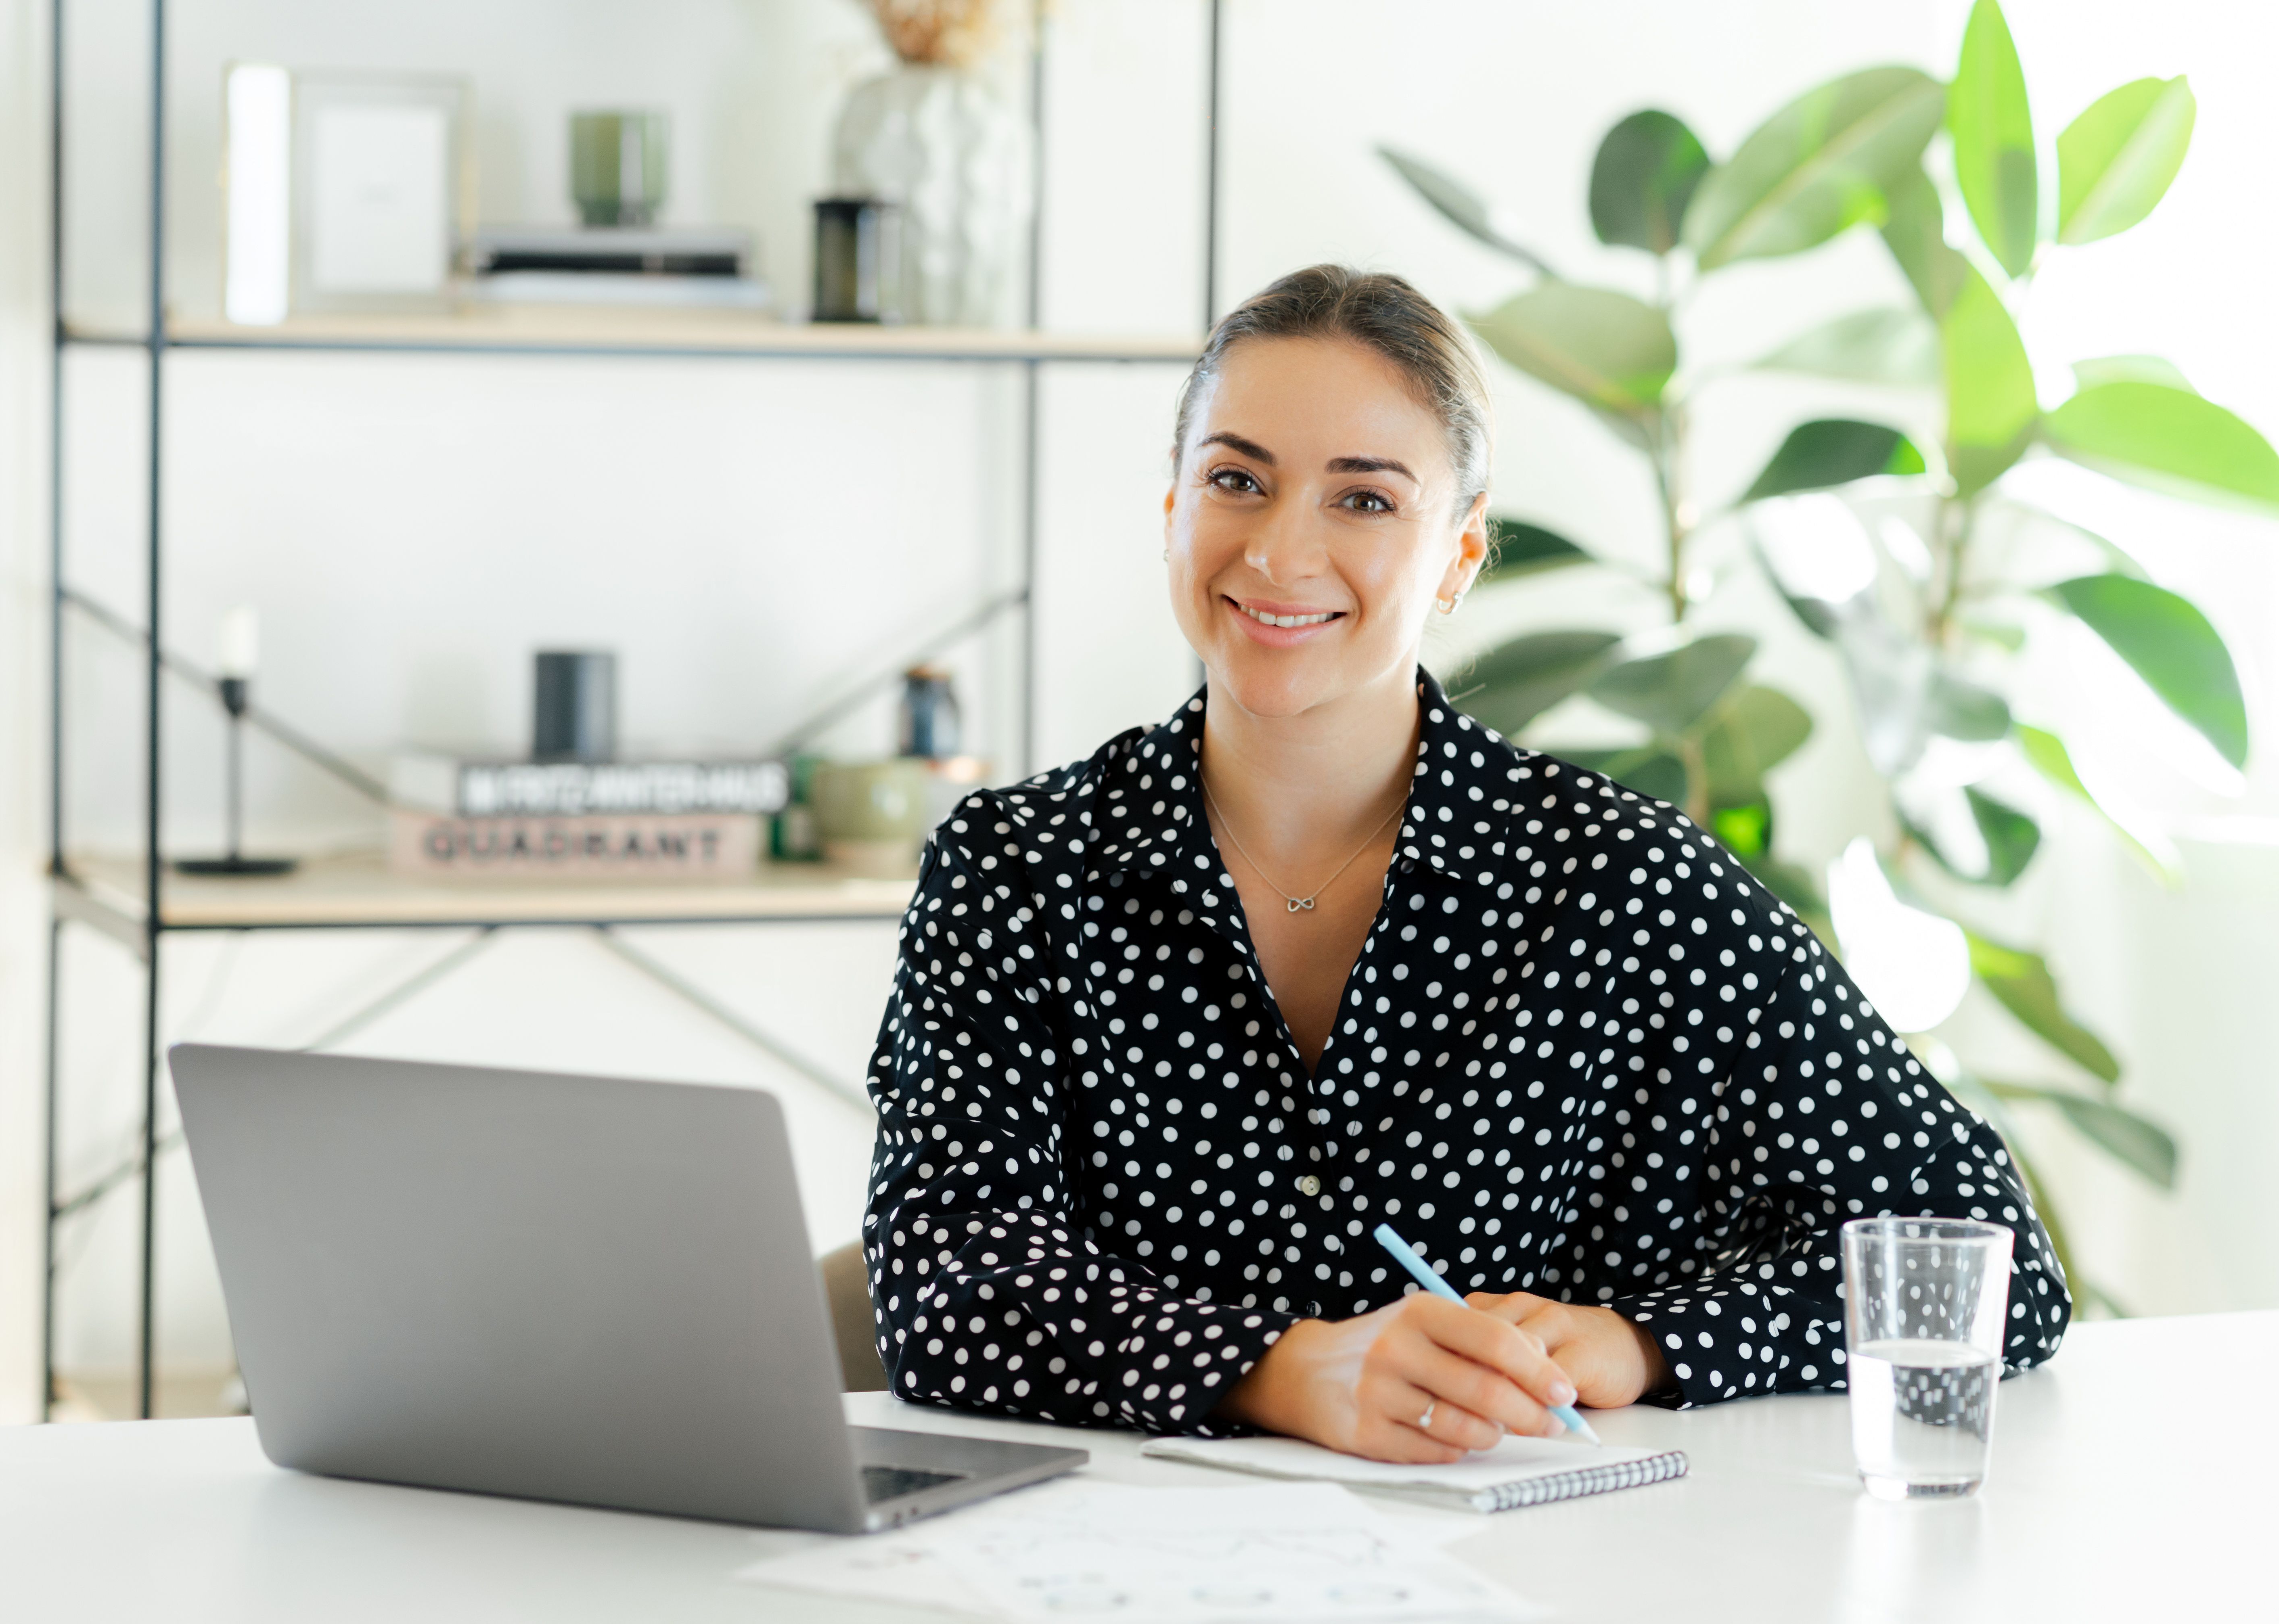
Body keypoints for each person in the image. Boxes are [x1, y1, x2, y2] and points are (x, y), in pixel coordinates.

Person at [861, 264, 2068, 1463]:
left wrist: (1644, 1344)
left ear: (1459, 556)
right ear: (1175, 508)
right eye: (1237, 480)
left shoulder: (1624, 885)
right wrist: (1285, 1371)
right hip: (1122, 1554)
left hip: (1541, 1551)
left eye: (1365, 500)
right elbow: (939, 1276)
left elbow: (1989, 1260)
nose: (1280, 552)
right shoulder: (1015, 869)